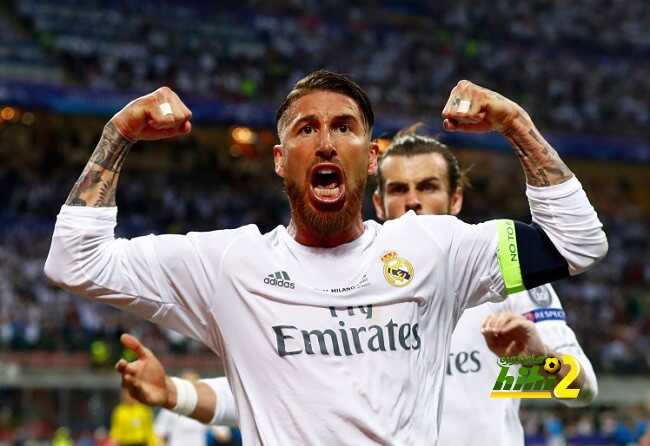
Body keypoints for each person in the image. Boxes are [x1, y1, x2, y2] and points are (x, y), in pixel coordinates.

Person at [44, 70, 607, 444]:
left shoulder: (453, 263)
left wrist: (516, 125)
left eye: (344, 127)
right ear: (279, 159)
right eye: (306, 129)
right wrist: (117, 135)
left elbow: (577, 379)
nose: (414, 205)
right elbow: (75, 261)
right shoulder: (231, 266)